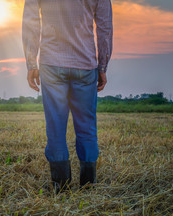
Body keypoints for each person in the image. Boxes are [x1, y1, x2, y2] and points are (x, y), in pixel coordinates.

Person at [22, 0, 113, 193]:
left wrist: (31, 63)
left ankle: (60, 188)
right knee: (87, 127)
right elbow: (105, 28)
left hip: (52, 64)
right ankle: (88, 187)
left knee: (55, 127)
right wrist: (103, 66)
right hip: (85, 64)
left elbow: (30, 22)